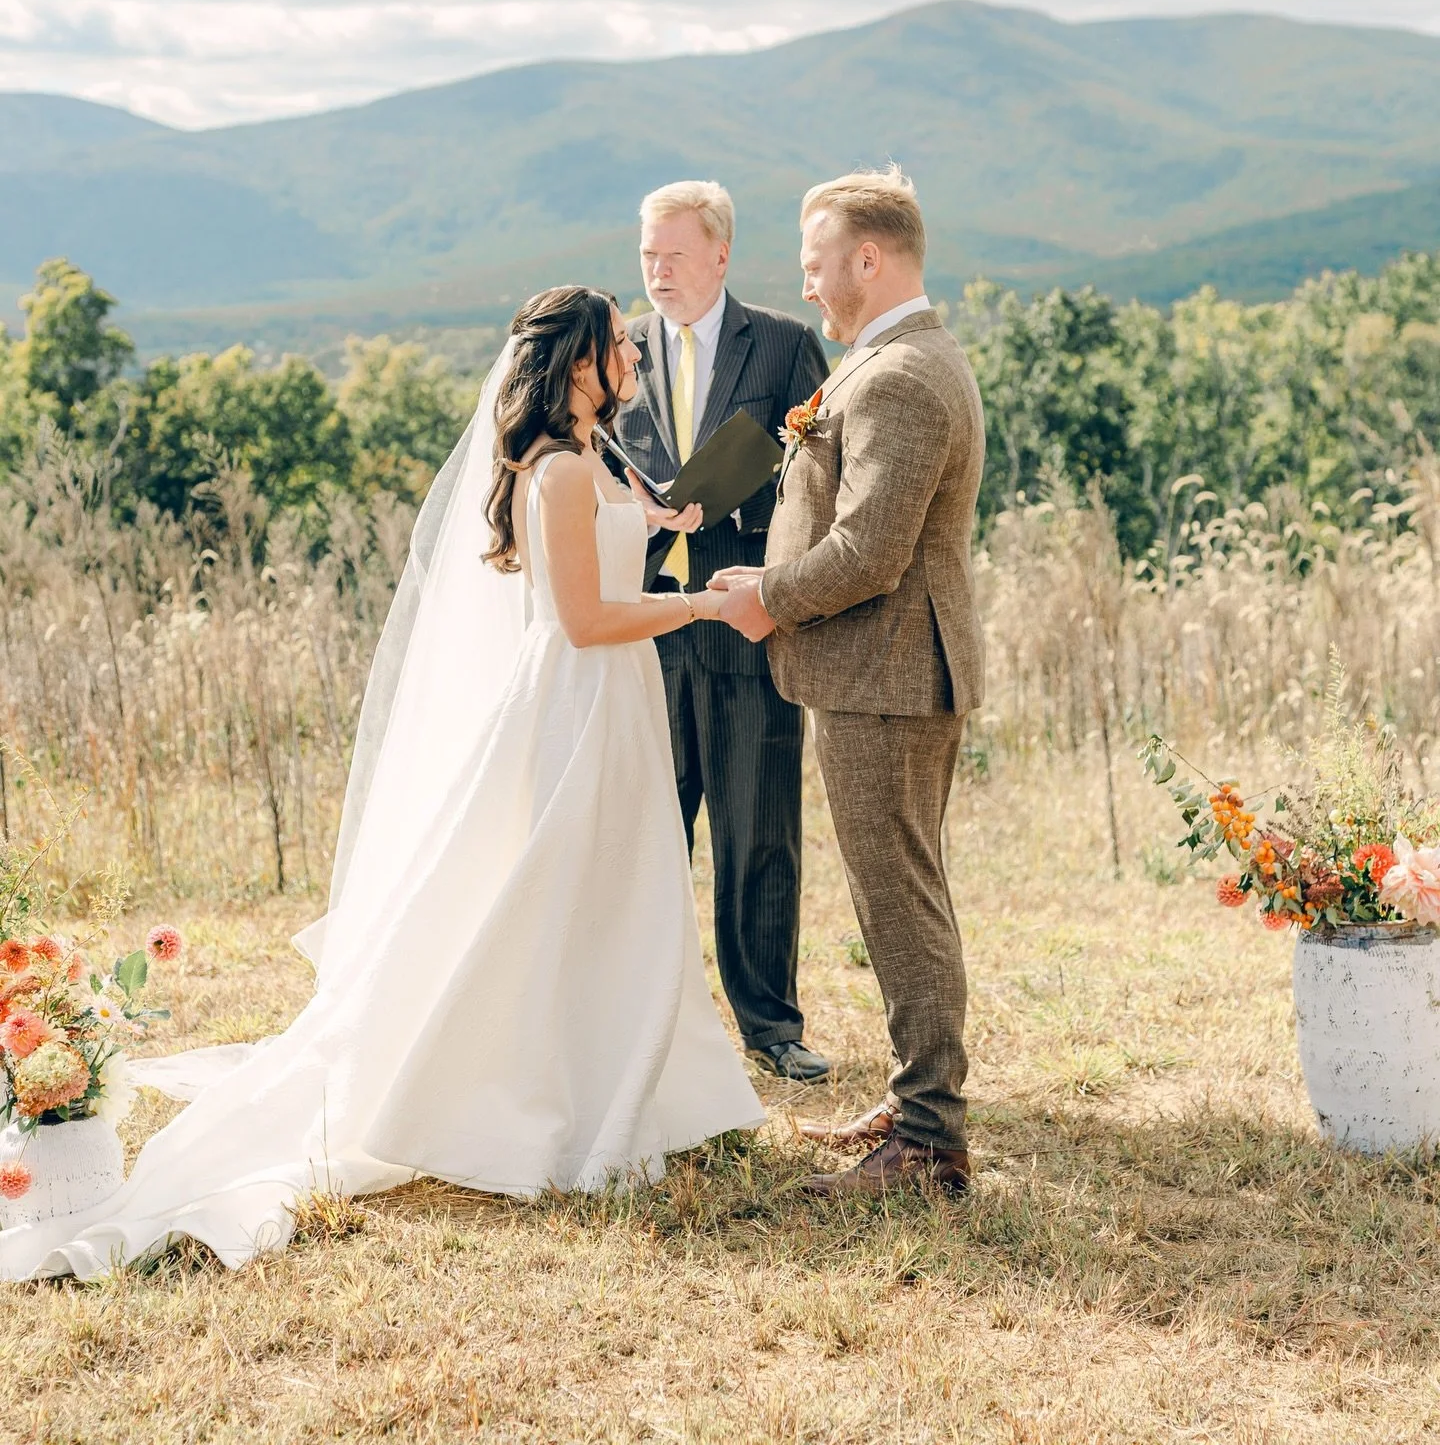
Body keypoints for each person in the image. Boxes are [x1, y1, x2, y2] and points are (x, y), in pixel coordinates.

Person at [0, 287, 763, 1280]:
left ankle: (637, 1080)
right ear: (580, 361)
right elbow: (582, 620)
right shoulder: (564, 468)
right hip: (578, 704)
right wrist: (703, 602)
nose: (632, 353)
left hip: (609, 705)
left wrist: (661, 517)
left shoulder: (599, 458)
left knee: (612, 894)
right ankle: (535, 1094)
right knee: (565, 895)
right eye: (618, 342)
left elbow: (610, 556)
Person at [712, 168, 985, 1196]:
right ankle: (919, 1099)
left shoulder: (902, 376)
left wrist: (769, 598)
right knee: (903, 891)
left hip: (888, 672)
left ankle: (926, 1141)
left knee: (899, 897)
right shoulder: (900, 357)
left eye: (817, 260)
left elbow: (871, 549)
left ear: (868, 260)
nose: (809, 280)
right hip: (891, 667)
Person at [612, 181, 832, 1083]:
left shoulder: (783, 345)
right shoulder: (617, 351)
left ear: (721, 255)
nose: (658, 272)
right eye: (646, 257)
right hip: (642, 629)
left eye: (674, 255)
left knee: (760, 831)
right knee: (645, 833)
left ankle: (770, 1026)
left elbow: (828, 477)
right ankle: (638, 1022)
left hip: (748, 620)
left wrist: (751, 517)